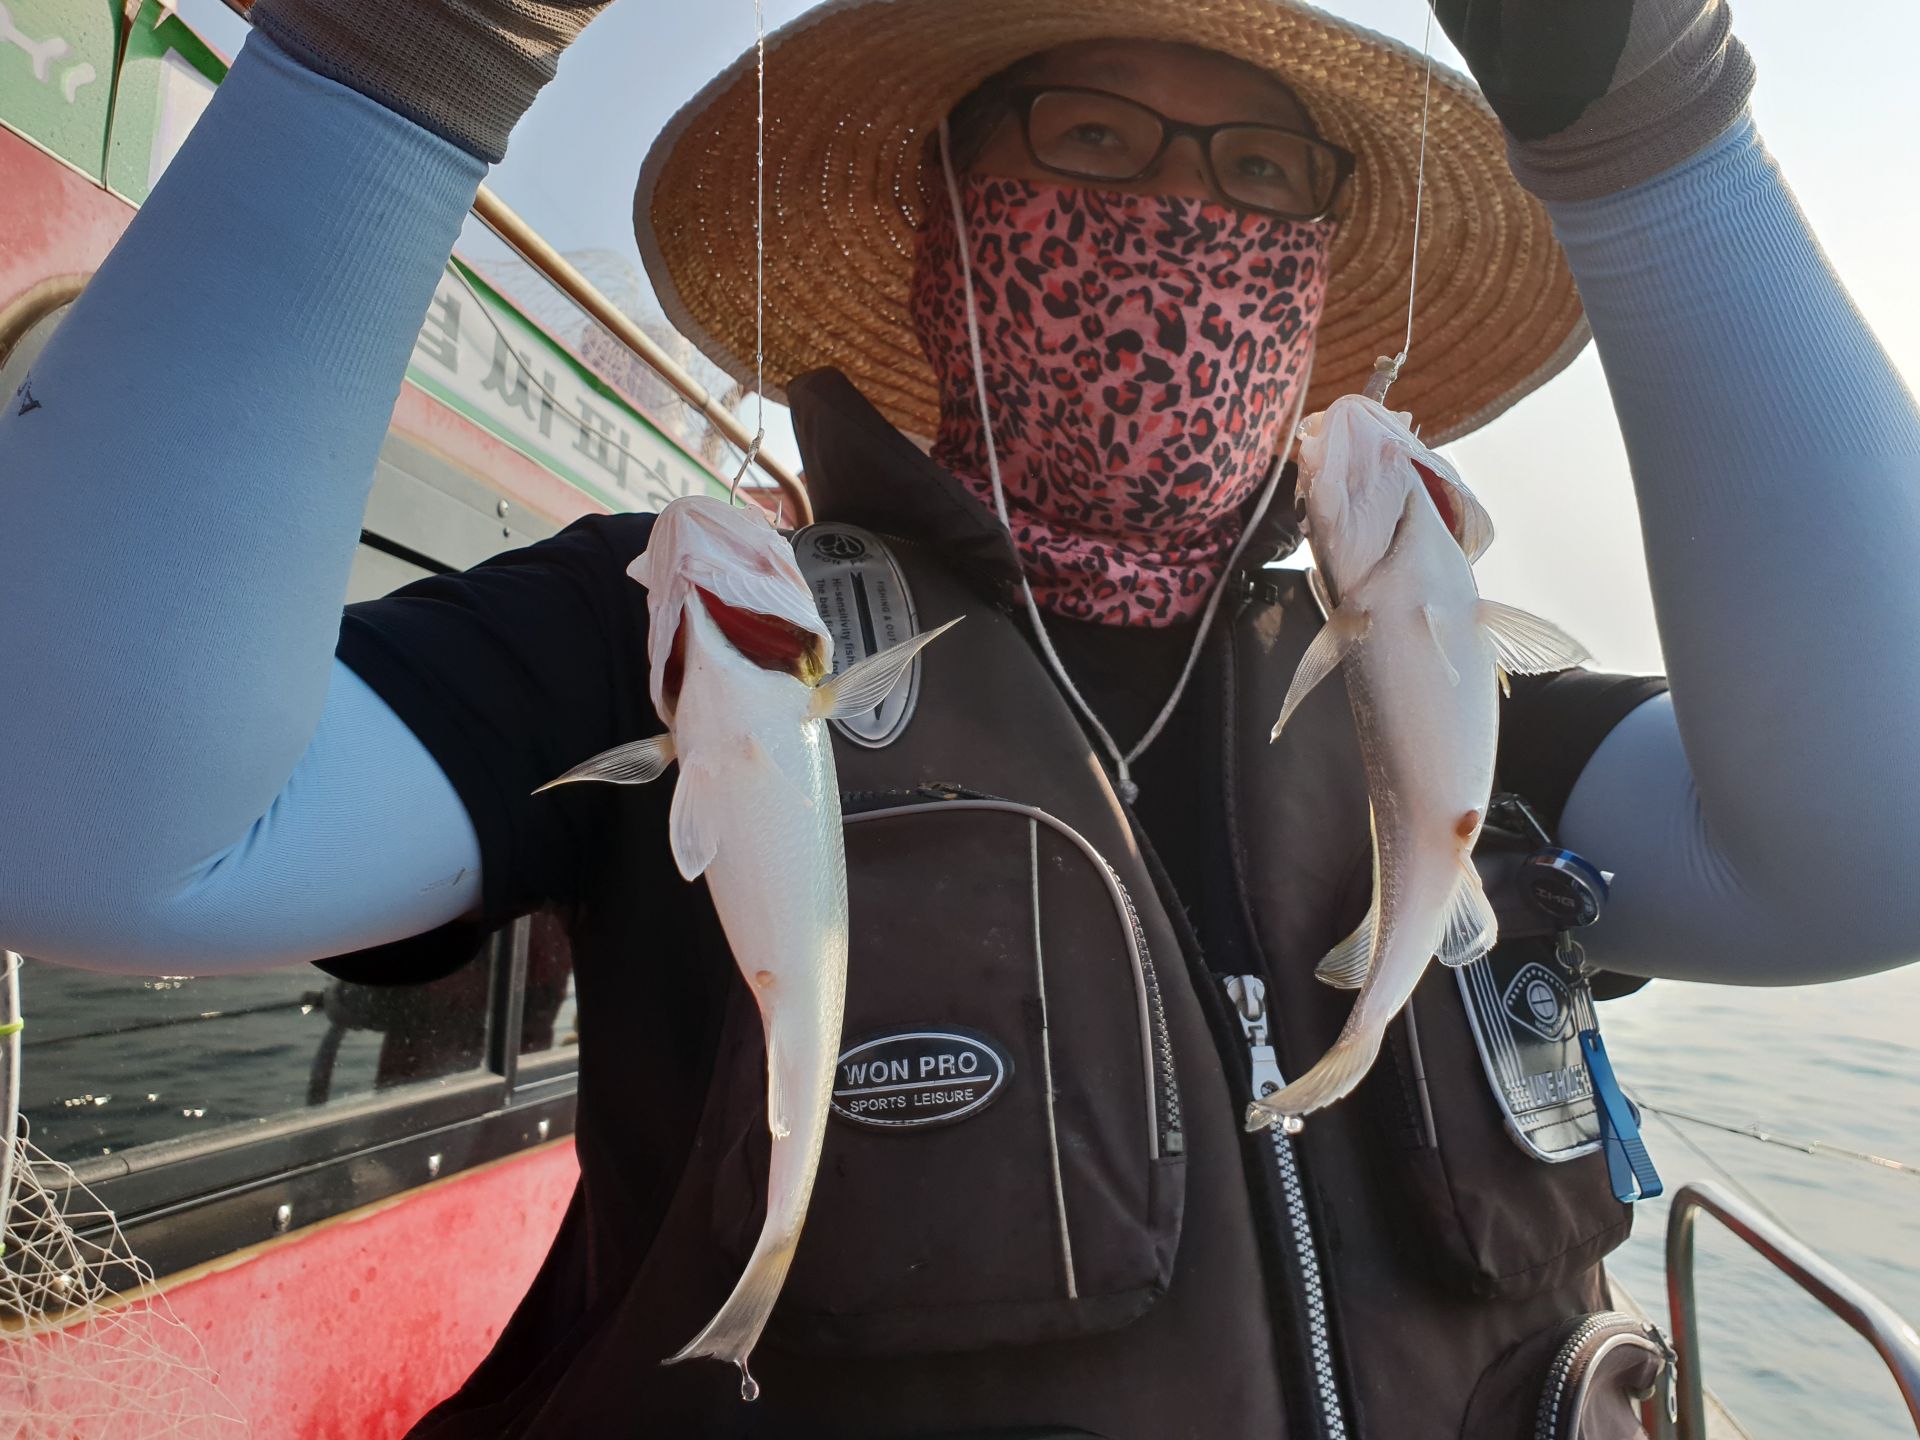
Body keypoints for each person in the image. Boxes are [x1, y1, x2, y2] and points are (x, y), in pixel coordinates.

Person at [2, 0, 1917, 1434]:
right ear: (944, 229)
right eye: (1092, 137)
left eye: (1261, 176)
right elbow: (89, 828)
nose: (1182, 213)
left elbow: (1877, 836)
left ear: (1319, 277)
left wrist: (1651, 125)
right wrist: (398, 52)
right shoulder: (684, 629)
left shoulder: (1458, 720)